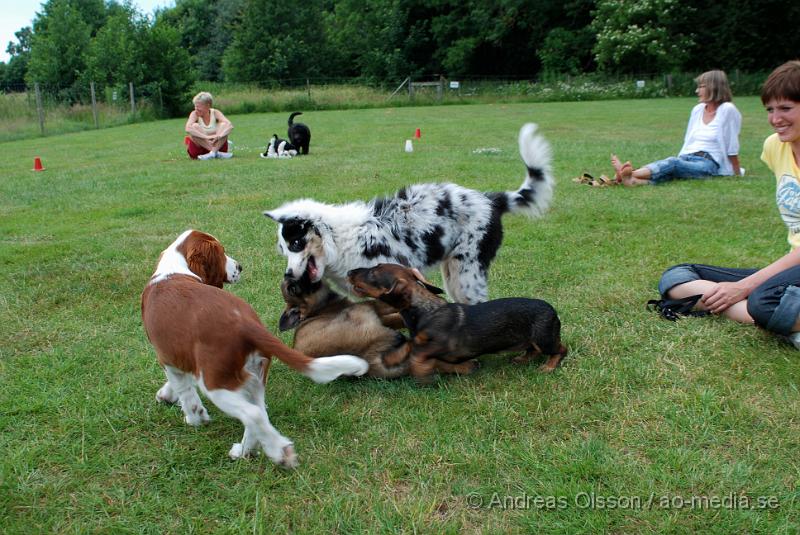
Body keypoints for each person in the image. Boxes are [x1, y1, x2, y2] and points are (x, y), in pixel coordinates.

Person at [656, 60, 800, 346]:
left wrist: (744, 287)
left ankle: (773, 313)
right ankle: (788, 322)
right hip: (793, 264)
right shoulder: (775, 147)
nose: (775, 119)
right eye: (770, 109)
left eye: (785, 108)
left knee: (763, 300)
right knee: (675, 278)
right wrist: (739, 289)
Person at [612, 70, 742, 186]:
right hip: (686, 157)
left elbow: (732, 145)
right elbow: (688, 140)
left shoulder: (727, 109)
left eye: (701, 87)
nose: (697, 91)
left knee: (673, 163)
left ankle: (627, 174)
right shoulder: (698, 110)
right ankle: (633, 181)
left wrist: (736, 172)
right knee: (671, 172)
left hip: (708, 164)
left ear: (715, 87)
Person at [185, 91, 234, 160]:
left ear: (208, 105)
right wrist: (207, 137)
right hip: (200, 150)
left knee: (224, 125)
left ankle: (213, 153)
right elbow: (187, 128)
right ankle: (215, 152)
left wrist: (219, 135)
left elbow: (230, 125)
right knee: (194, 127)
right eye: (195, 106)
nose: (196, 108)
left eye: (198, 106)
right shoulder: (194, 114)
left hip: (217, 145)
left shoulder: (215, 112)